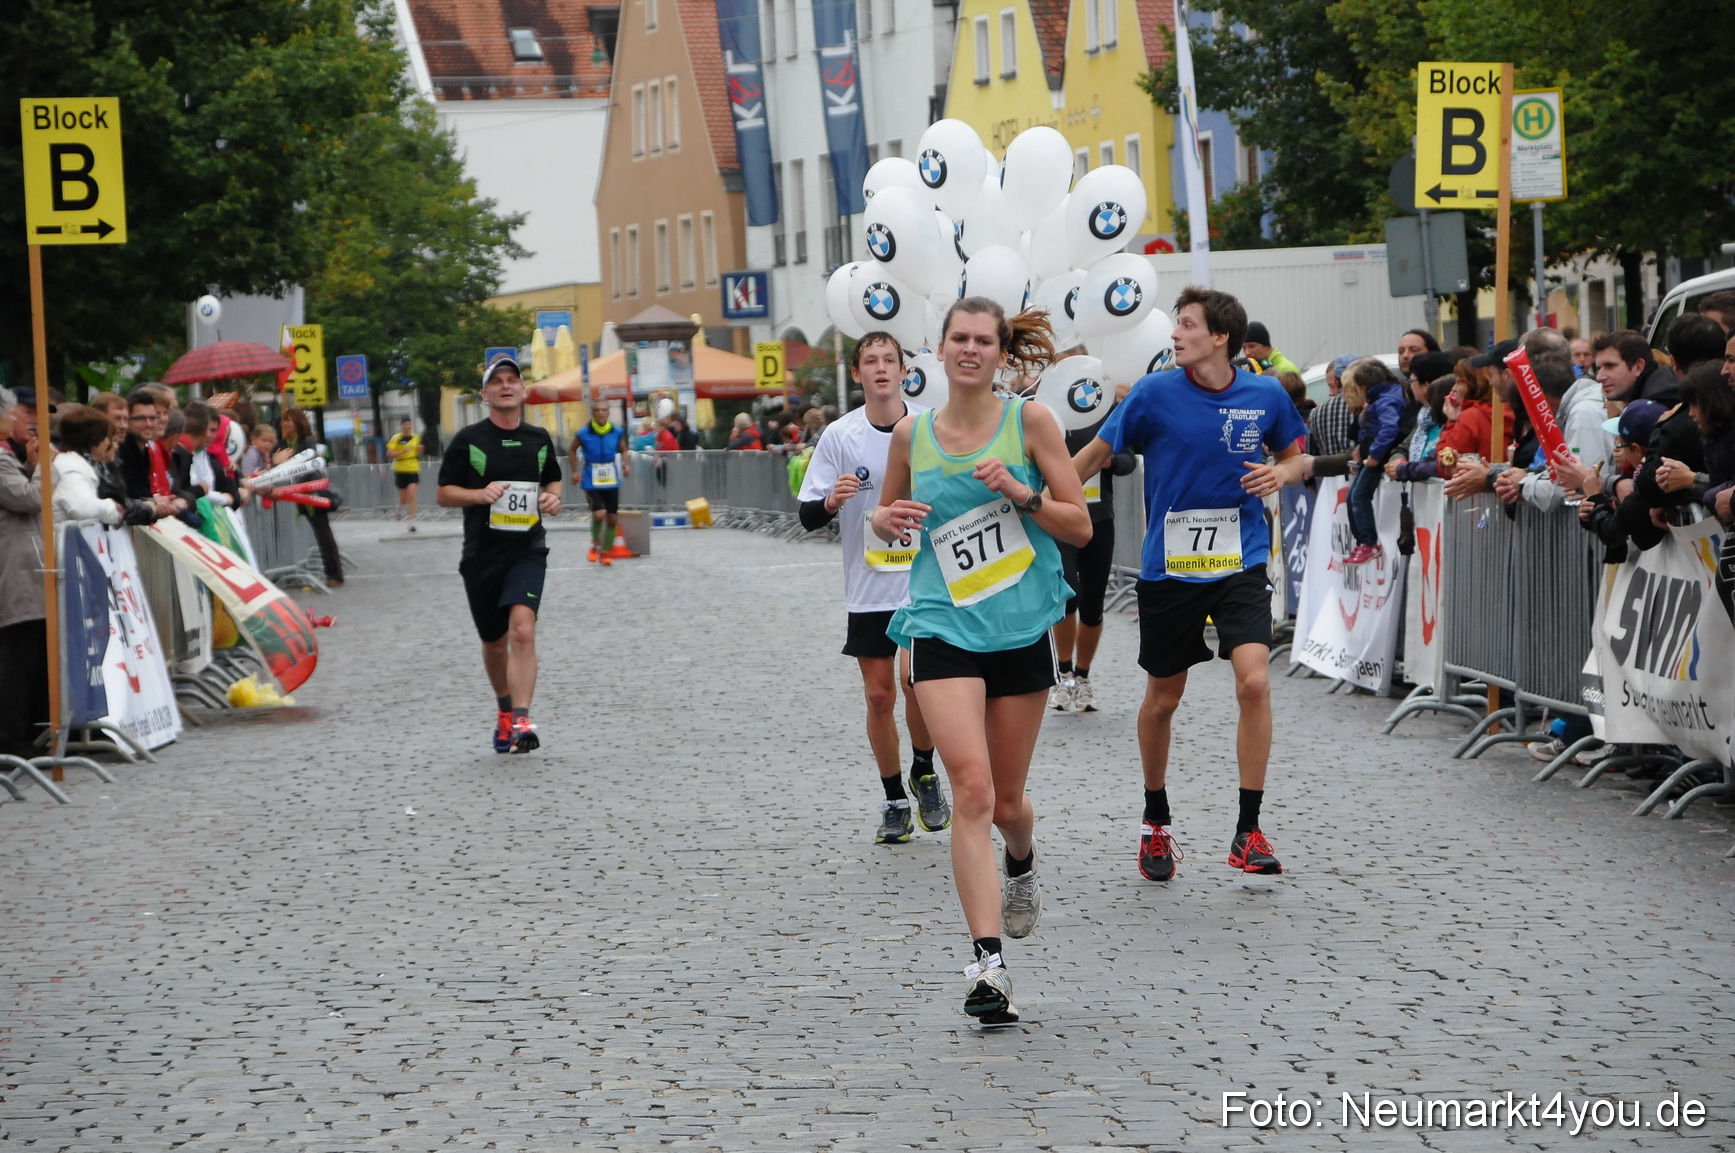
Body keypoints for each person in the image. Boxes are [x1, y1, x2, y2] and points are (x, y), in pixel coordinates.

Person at [871, 297, 1090, 1025]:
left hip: (1019, 624)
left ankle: (1020, 860)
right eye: (957, 338)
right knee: (969, 789)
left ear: (1000, 353)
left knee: (1004, 802)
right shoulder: (911, 432)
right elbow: (884, 510)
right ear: (937, 349)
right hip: (940, 624)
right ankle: (988, 967)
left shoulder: (1028, 423)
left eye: (982, 340)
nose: (968, 349)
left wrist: (1021, 492)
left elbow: (1079, 524)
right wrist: (883, 517)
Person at [1072, 285, 1309, 884]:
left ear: (1219, 336)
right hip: (1169, 569)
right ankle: (1156, 821)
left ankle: (1247, 830)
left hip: (1240, 560)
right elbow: (1096, 456)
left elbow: (1298, 456)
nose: (1174, 335)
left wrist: (1280, 470)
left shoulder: (1263, 393)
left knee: (1255, 681)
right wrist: (1041, 499)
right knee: (1163, 701)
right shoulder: (1153, 394)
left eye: (1185, 325)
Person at [797, 331, 951, 844]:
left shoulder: (929, 426)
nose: (881, 368)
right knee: (880, 694)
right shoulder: (841, 436)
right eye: (870, 361)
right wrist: (832, 504)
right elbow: (806, 516)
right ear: (858, 373)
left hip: (924, 580)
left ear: (904, 370)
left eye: (890, 359)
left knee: (917, 685)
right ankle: (893, 798)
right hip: (869, 586)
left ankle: (924, 769)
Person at [436, 356, 563, 754]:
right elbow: (443, 493)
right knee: (494, 643)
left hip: (527, 549)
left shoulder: (539, 438)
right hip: (481, 555)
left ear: (523, 391)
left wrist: (553, 498)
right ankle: (505, 710)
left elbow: (553, 478)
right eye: (498, 382)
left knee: (523, 629)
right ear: (486, 394)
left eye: (513, 380)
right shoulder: (469, 439)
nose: (506, 386)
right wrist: (479, 494)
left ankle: (523, 719)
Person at [1050, 385, 1137, 713]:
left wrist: (1111, 460)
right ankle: (1064, 673)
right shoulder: (1049, 412)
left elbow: (1130, 460)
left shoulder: (1106, 414)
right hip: (1062, 517)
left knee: (1093, 602)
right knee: (1067, 593)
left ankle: (1083, 677)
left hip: (1099, 518)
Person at [0, 387, 50, 757]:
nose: (19, 419)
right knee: (15, 658)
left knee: (25, 654)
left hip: (21, 562)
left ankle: (22, 731)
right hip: (12, 565)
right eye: (14, 413)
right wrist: (44, 470)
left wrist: (32, 467)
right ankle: (11, 738)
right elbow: (31, 498)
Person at [1341, 358, 1405, 565]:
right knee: (1353, 497)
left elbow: (1389, 429)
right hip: (1370, 457)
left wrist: (1375, 455)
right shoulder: (1383, 398)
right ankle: (1363, 542)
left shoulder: (1385, 400)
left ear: (1362, 388)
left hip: (1378, 460)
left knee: (1359, 496)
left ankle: (1368, 543)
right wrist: (1363, 448)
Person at [277, 407, 343, 585]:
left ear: (298, 422)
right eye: (284, 420)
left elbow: (308, 464)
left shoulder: (307, 440)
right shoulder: (283, 443)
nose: (285, 423)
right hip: (291, 492)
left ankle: (334, 573)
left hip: (310, 491)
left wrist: (287, 466)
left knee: (323, 533)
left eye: (289, 420)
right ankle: (287, 570)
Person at [574, 394, 630, 564]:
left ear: (608, 413)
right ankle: (595, 544)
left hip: (611, 478)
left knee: (612, 519)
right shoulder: (583, 433)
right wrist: (575, 471)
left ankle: (606, 552)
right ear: (593, 413)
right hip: (591, 477)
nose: (601, 413)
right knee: (599, 514)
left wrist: (625, 464)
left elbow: (624, 449)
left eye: (604, 410)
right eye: (598, 410)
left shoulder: (616, 431)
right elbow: (571, 450)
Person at [1592, 330, 1678, 406]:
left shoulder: (1660, 402)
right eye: (1599, 368)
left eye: (1610, 366)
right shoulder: (1657, 392)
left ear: (1638, 367)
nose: (1599, 377)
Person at [386, 418, 423, 527]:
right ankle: (400, 508)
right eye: (405, 424)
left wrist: (419, 449)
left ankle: (412, 521)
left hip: (413, 467)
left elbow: (416, 450)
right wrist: (401, 451)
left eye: (409, 424)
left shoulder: (416, 437)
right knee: (404, 497)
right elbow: (389, 453)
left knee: (412, 494)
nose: (407, 426)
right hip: (400, 468)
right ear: (401, 425)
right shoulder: (397, 438)